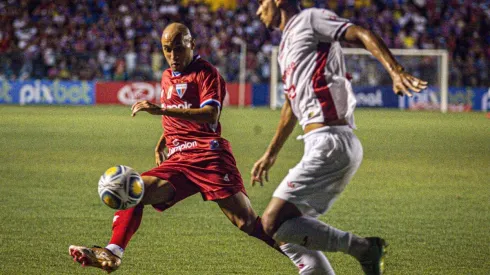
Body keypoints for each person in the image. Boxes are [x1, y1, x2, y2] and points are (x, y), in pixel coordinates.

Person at [68, 23, 281, 273]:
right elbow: (177, 114)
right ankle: (112, 253)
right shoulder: (168, 75)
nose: (173, 56)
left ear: (191, 44)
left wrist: (161, 110)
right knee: (133, 189)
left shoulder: (206, 73)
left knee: (246, 223)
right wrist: (163, 139)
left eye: (178, 49)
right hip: (180, 159)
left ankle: (306, 254)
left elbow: (211, 114)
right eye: (167, 50)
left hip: (208, 156)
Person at [252, 1, 428, 274]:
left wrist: (395, 70)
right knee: (289, 232)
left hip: (331, 141)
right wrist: (271, 152)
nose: (258, 11)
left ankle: (363, 248)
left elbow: (359, 33)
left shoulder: (310, 19)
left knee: (271, 222)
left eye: (262, 2)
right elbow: (291, 103)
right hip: (318, 144)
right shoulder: (285, 45)